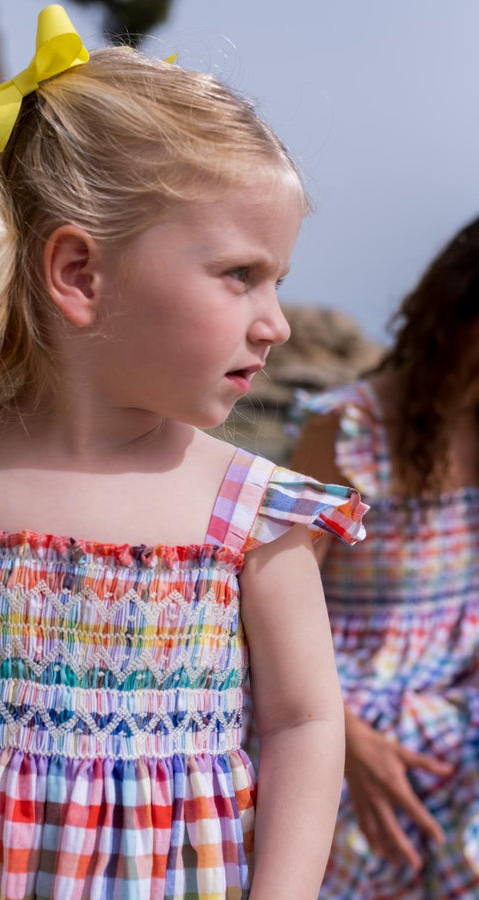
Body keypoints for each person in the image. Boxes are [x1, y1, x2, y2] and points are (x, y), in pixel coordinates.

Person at [0, 5, 367, 898]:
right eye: (239, 274)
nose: (279, 322)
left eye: (281, 281)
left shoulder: (249, 508)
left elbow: (303, 720)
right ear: (80, 274)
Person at [289, 215, 479, 899]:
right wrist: (348, 742)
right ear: (458, 312)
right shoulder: (346, 430)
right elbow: (270, 612)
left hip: (459, 719)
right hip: (343, 713)